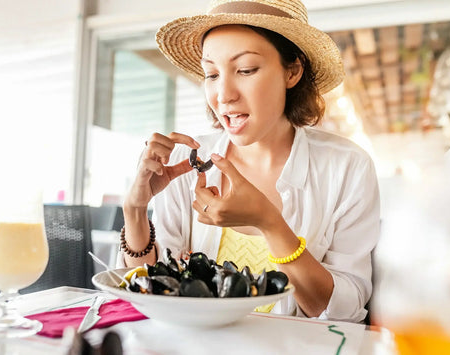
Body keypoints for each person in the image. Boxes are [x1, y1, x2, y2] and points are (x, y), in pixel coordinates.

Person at [118, 0, 380, 323]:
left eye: (245, 70)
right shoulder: (187, 165)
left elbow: (344, 312)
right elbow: (153, 293)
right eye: (211, 74)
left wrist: (269, 222)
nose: (223, 94)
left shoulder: (348, 168)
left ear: (292, 71)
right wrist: (134, 212)